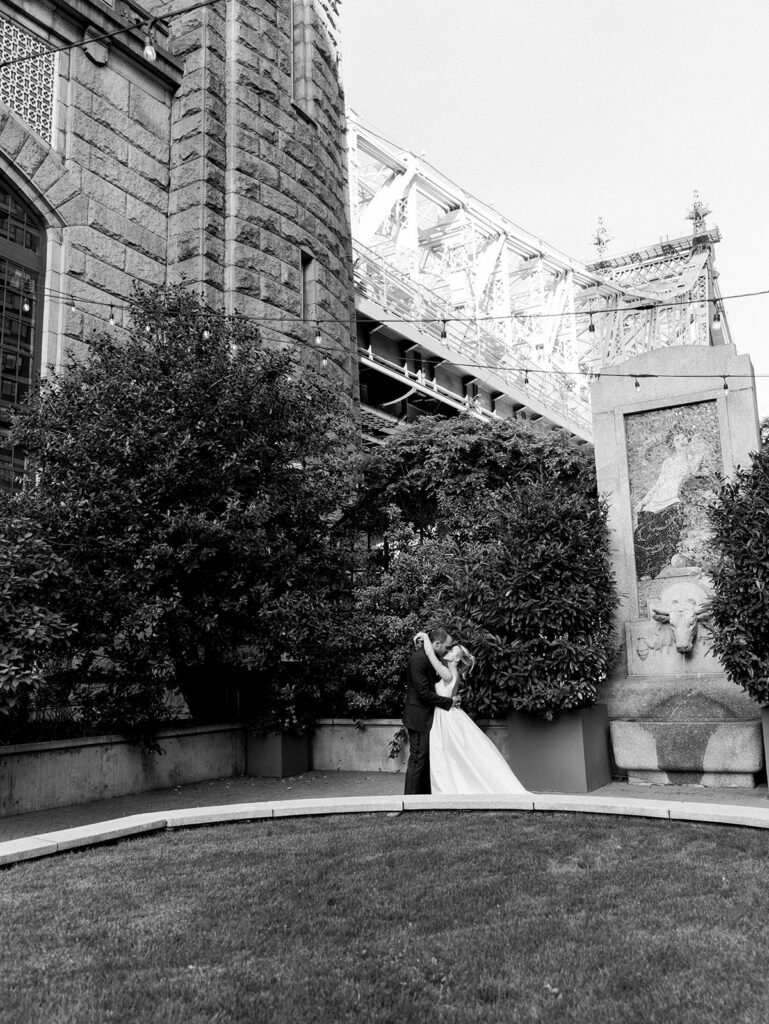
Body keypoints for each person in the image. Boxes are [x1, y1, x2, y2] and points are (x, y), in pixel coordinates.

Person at [414, 631, 528, 795]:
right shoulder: (453, 673)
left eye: (453, 651)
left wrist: (425, 637)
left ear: (456, 659)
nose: (449, 651)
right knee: (452, 755)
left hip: (445, 717)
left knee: (448, 754)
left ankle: (447, 787)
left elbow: (431, 655)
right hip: (447, 713)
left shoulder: (448, 674)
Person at [402, 626, 458, 795]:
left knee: (424, 759)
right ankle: (410, 800)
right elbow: (424, 693)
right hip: (418, 717)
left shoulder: (429, 658)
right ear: (437, 644)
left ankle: (423, 797)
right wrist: (448, 702)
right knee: (418, 758)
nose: (447, 650)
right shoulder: (418, 660)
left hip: (426, 716)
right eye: (446, 647)